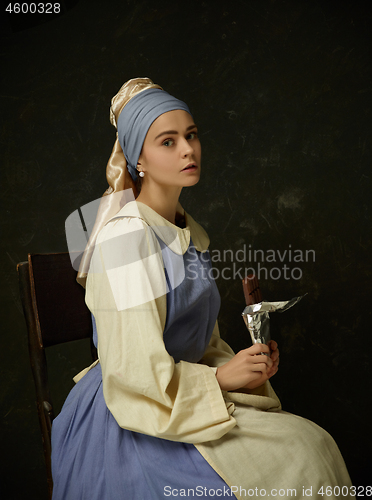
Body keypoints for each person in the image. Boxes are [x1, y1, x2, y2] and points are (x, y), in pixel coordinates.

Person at [51, 78, 354, 499]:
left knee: (313, 445)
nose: (188, 149)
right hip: (132, 417)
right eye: (168, 141)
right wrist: (220, 379)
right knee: (303, 456)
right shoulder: (126, 241)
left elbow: (201, 342)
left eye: (191, 135)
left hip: (181, 398)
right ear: (138, 156)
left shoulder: (187, 233)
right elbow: (134, 370)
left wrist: (247, 369)